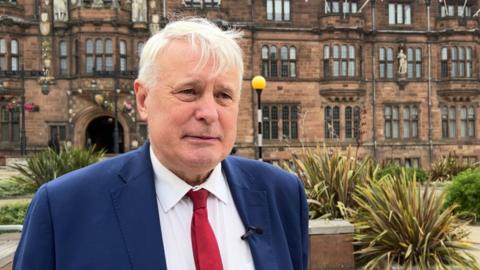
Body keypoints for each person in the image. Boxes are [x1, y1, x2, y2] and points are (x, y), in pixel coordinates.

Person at [13, 18, 308, 270]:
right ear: (143, 100)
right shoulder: (63, 207)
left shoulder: (282, 194)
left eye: (224, 96)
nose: (208, 113)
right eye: (189, 91)